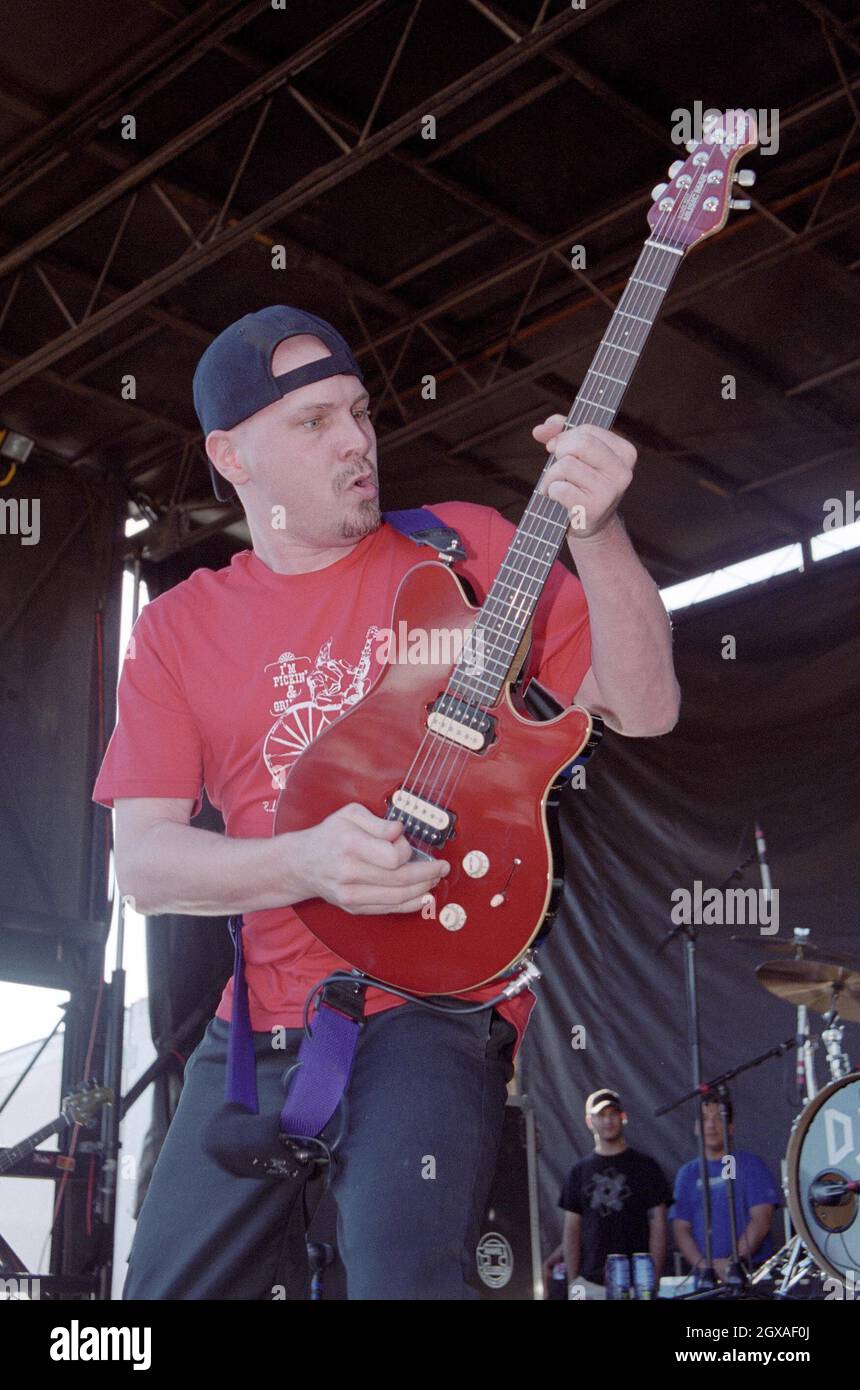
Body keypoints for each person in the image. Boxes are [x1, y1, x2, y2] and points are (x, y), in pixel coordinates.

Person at [93, 305, 680, 1300]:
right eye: (313, 422)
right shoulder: (179, 628)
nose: (357, 439)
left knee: (399, 1272)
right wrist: (304, 863)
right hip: (258, 1027)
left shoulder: (464, 548)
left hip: (432, 1002)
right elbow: (144, 865)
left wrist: (603, 529)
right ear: (231, 455)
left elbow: (643, 705)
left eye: (357, 410)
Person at [544, 1088, 672, 1293]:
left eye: (613, 1114)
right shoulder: (579, 1171)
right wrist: (574, 1282)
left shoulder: (646, 1167)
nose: (608, 1121)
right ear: (589, 1121)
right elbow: (571, 1229)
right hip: (591, 1283)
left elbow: (658, 1225)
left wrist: (652, 1280)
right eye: (601, 1115)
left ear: (623, 1117)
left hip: (636, 1283)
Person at [671, 1092, 780, 1281]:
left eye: (718, 1119)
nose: (712, 1125)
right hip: (705, 1279)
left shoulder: (750, 1165)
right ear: (697, 1127)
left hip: (750, 1275)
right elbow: (681, 1228)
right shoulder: (687, 1174)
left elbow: (762, 1220)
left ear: (730, 1127)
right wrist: (705, 1267)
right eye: (705, 1119)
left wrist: (732, 1262)